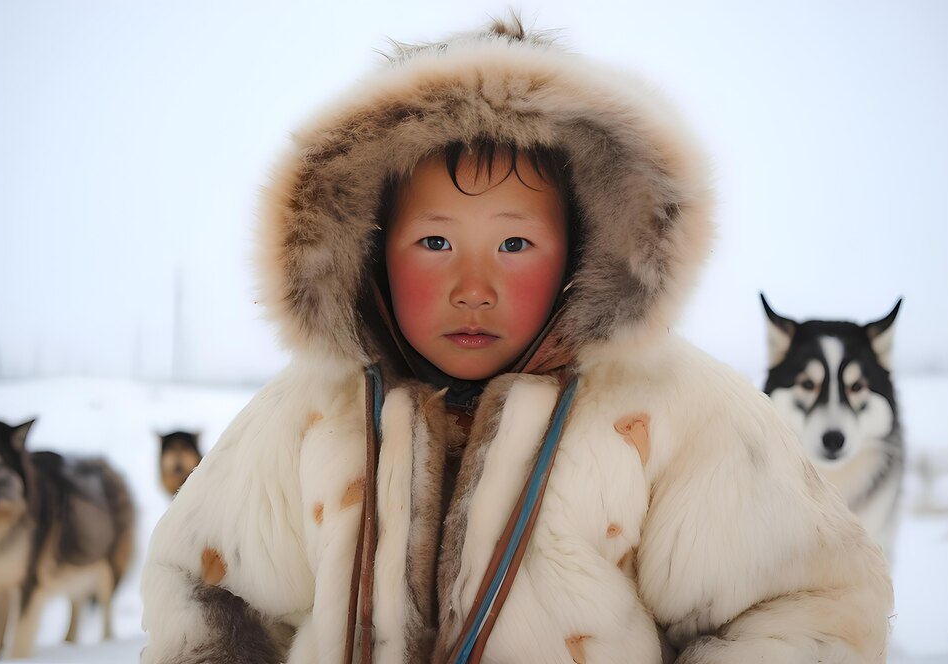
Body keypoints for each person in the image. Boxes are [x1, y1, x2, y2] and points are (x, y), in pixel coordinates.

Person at [140, 16, 892, 664]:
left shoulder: (680, 412)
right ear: (366, 250)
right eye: (434, 242)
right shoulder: (306, 411)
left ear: (582, 249)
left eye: (515, 245)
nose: (475, 285)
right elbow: (198, 588)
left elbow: (812, 604)